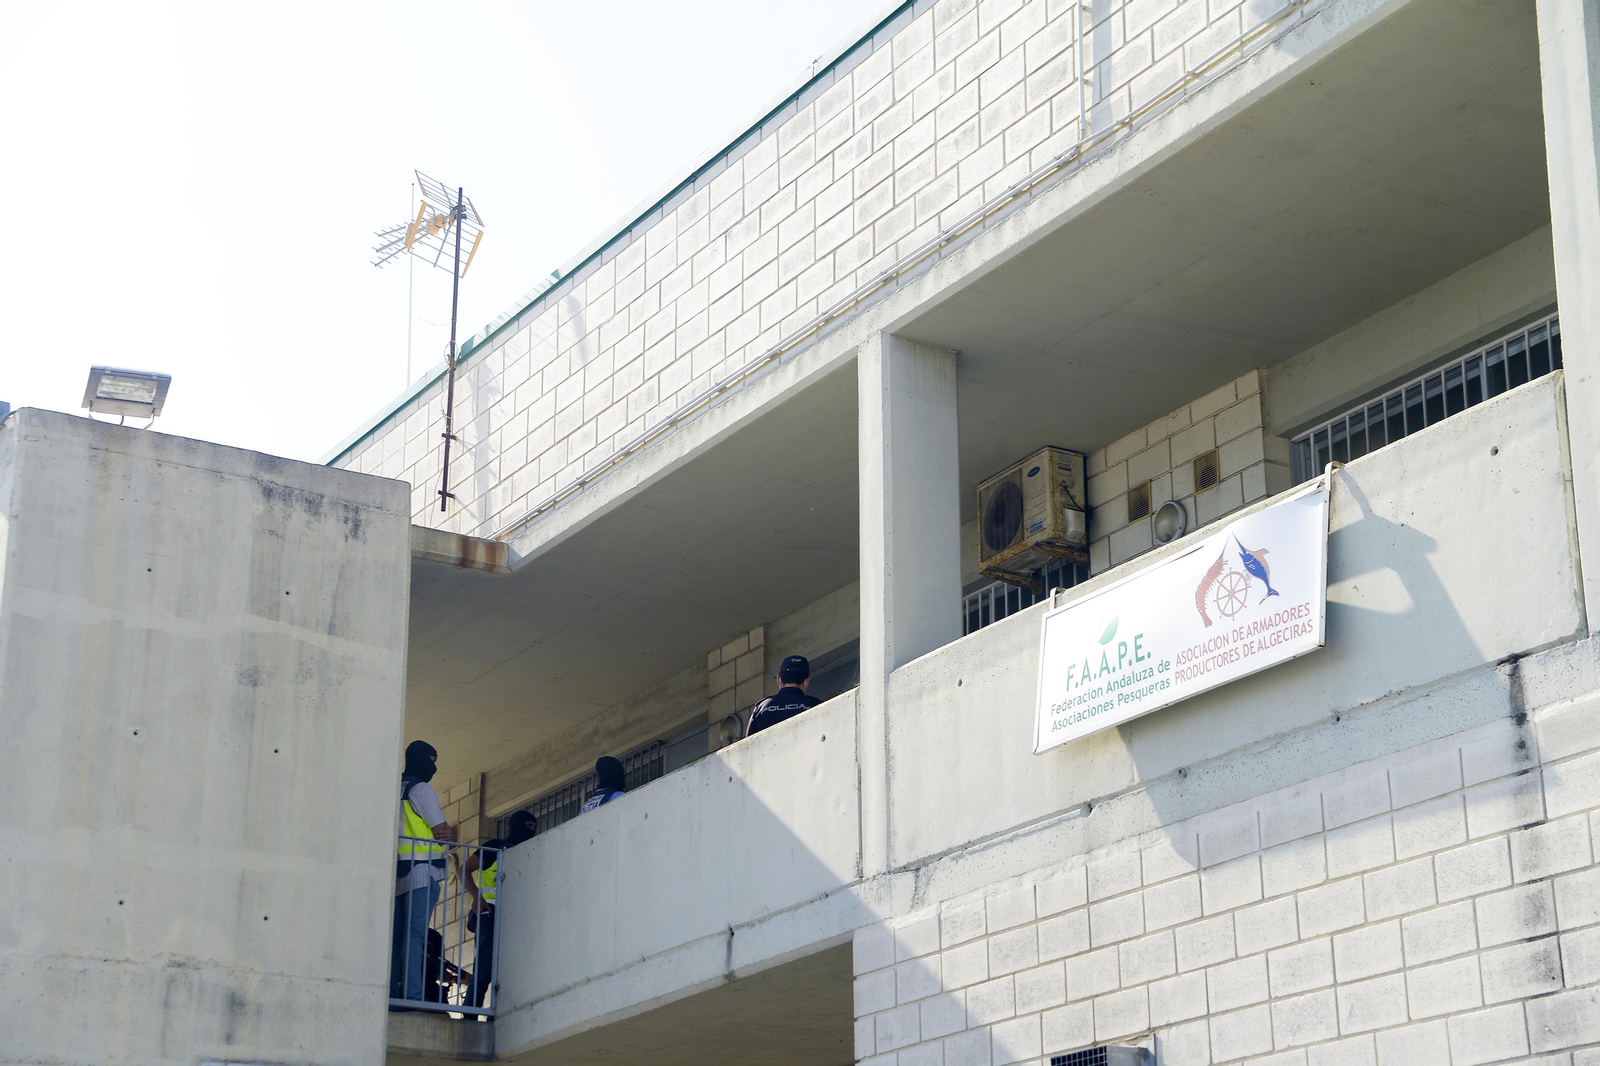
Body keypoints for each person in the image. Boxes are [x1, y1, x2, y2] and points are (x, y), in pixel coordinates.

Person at [391, 740, 455, 1007]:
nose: (435, 766)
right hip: (422, 870)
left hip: (397, 874)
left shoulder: (394, 788)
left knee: (394, 939)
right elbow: (442, 832)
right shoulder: (421, 789)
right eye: (432, 759)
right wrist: (448, 834)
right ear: (422, 760)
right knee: (415, 935)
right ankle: (414, 997)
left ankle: (392, 997)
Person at [461, 810, 537, 1008]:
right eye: (528, 826)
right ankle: (470, 1013)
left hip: (513, 916)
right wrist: (477, 897)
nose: (532, 830)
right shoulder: (496, 846)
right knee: (484, 968)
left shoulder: (530, 851)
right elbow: (463, 870)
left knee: (506, 970)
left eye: (535, 827)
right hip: (489, 913)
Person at [746, 655, 822, 737]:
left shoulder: (761, 708)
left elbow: (747, 745)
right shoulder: (816, 705)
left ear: (778, 679)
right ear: (806, 682)